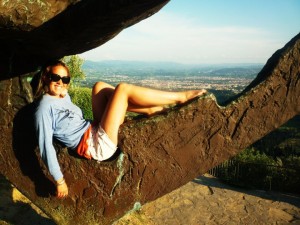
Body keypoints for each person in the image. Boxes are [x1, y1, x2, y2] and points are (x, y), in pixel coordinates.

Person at [33, 60, 207, 198]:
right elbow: (45, 145)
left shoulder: (62, 96)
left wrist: (62, 94)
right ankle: (180, 97)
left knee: (99, 86)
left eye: (65, 79)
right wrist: (59, 180)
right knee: (123, 89)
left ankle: (149, 110)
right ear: (46, 77)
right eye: (56, 78)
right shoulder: (43, 109)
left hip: (93, 129)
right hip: (95, 145)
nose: (61, 83)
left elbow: (68, 111)